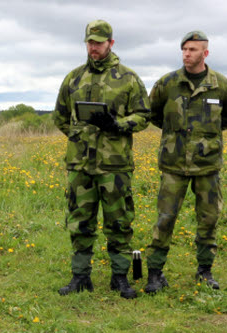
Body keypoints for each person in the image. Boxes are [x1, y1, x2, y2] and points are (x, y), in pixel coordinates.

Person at [52, 19, 151, 299]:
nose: (93, 47)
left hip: (114, 165)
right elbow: (59, 115)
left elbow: (144, 115)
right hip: (80, 165)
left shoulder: (128, 78)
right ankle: (80, 276)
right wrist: (76, 134)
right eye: (90, 42)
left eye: (99, 42)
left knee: (118, 221)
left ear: (111, 43)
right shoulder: (73, 78)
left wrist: (118, 125)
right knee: (79, 221)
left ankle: (120, 277)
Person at [144, 30, 227, 293]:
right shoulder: (167, 83)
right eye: (184, 49)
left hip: (207, 166)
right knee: (165, 219)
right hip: (174, 164)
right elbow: (153, 114)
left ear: (205, 53)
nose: (187, 54)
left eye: (193, 50)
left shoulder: (220, 84)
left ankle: (205, 271)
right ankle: (155, 272)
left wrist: (206, 139)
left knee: (208, 220)